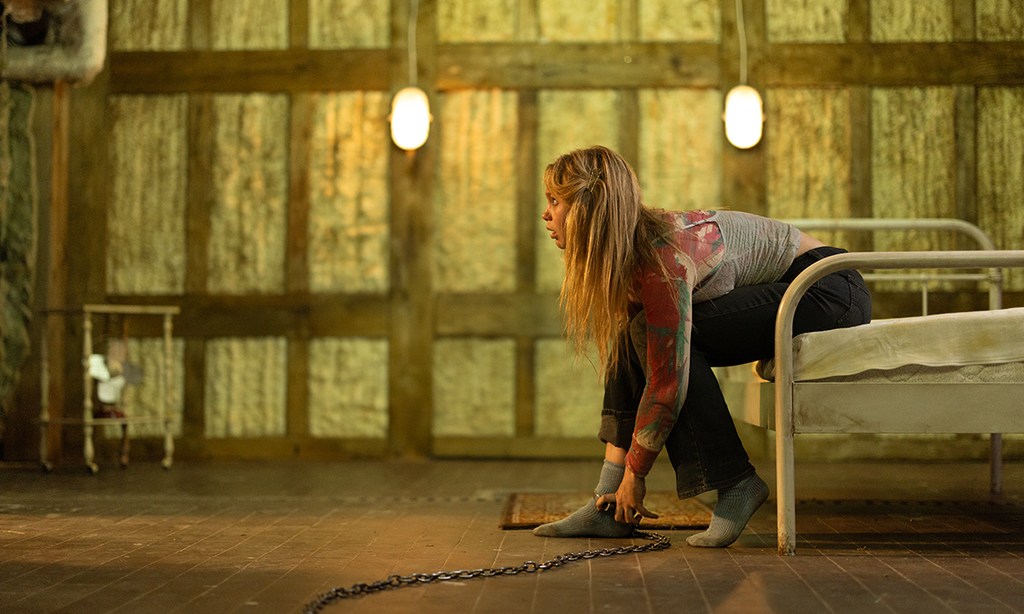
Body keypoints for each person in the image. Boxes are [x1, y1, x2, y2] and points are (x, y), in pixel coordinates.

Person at [534, 145, 872, 547]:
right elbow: (640, 367)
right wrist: (618, 481)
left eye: (556, 201)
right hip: (800, 288)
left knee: (657, 343)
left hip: (827, 289)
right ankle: (606, 506)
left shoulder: (662, 259)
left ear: (588, 209)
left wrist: (635, 476)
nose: (546, 214)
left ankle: (736, 483)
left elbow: (666, 382)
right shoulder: (631, 253)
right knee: (634, 337)